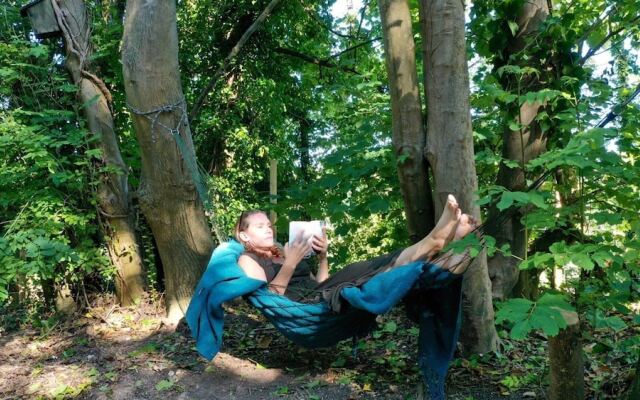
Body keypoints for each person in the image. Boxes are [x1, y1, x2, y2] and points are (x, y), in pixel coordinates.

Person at [234, 194, 476, 305]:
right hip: (308, 306)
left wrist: (323, 256)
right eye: (260, 226)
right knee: (367, 274)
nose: (268, 229)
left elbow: (319, 283)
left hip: (321, 293)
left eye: (268, 225)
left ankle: (443, 248)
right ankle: (434, 241)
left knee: (371, 267)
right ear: (244, 235)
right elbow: (269, 301)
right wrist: (290, 263)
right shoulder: (248, 260)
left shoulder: (282, 251)